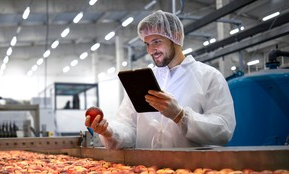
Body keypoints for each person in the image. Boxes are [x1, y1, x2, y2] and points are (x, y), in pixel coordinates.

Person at [85, 10, 236, 149]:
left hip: (194, 171)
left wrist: (181, 116)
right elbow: (127, 126)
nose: (150, 50)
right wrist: (109, 131)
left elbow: (223, 130)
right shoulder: (140, 81)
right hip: (146, 173)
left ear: (175, 37)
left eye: (157, 42)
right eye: (147, 44)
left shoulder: (209, 77)